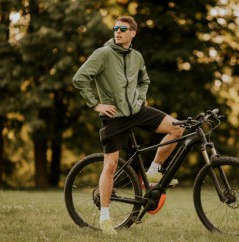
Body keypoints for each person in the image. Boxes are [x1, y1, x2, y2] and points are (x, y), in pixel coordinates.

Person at [72, 16, 184, 234]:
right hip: (114, 116)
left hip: (136, 110)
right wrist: (96, 105)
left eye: (123, 29)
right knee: (111, 165)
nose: (118, 32)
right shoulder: (103, 54)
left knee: (177, 127)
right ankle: (105, 217)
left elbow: (144, 80)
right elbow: (80, 78)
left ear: (133, 32)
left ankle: (152, 171)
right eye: (115, 28)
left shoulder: (137, 57)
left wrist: (140, 98)